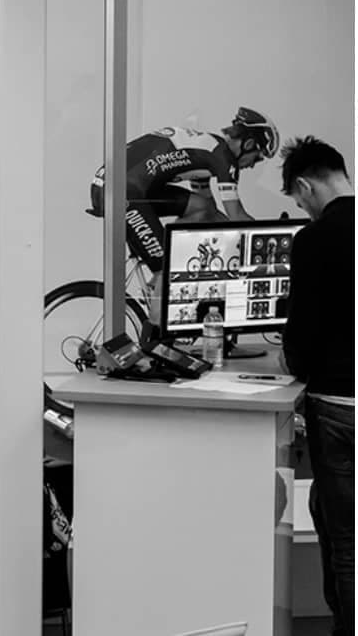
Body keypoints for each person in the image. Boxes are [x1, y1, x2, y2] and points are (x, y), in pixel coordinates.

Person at [87, 106, 279, 319]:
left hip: (119, 186)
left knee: (201, 208)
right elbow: (237, 217)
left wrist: (225, 246)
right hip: (120, 192)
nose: (253, 165)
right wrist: (272, 241)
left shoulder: (208, 152)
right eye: (258, 157)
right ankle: (156, 336)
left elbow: (209, 211)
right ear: (249, 144)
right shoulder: (223, 158)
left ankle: (162, 261)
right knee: (165, 270)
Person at [280, 135, 354, 636]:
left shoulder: (314, 240)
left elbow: (301, 346)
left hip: (339, 408)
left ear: (305, 186)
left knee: (347, 542)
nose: (302, 209)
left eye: (297, 199)